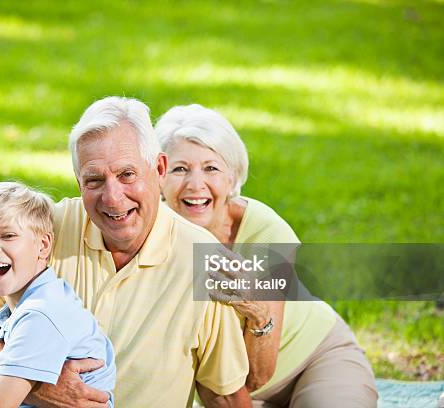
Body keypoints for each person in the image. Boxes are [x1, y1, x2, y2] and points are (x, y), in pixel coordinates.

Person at [0, 97, 252, 408]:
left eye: (127, 175)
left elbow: (224, 393)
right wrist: (41, 387)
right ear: (79, 182)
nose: (112, 198)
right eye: (94, 180)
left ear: (159, 169)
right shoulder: (48, 231)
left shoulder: (203, 261)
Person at [156, 104, 378, 407]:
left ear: (232, 178)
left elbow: (258, 375)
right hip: (230, 391)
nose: (196, 184)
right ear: (159, 177)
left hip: (314, 359)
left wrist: (258, 310)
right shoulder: (154, 236)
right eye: (180, 169)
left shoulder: (267, 232)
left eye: (211, 168)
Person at [0, 182, 115, 408]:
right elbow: (1, 382)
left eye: (8, 235)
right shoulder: (40, 299)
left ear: (43, 246)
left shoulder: (41, 315)